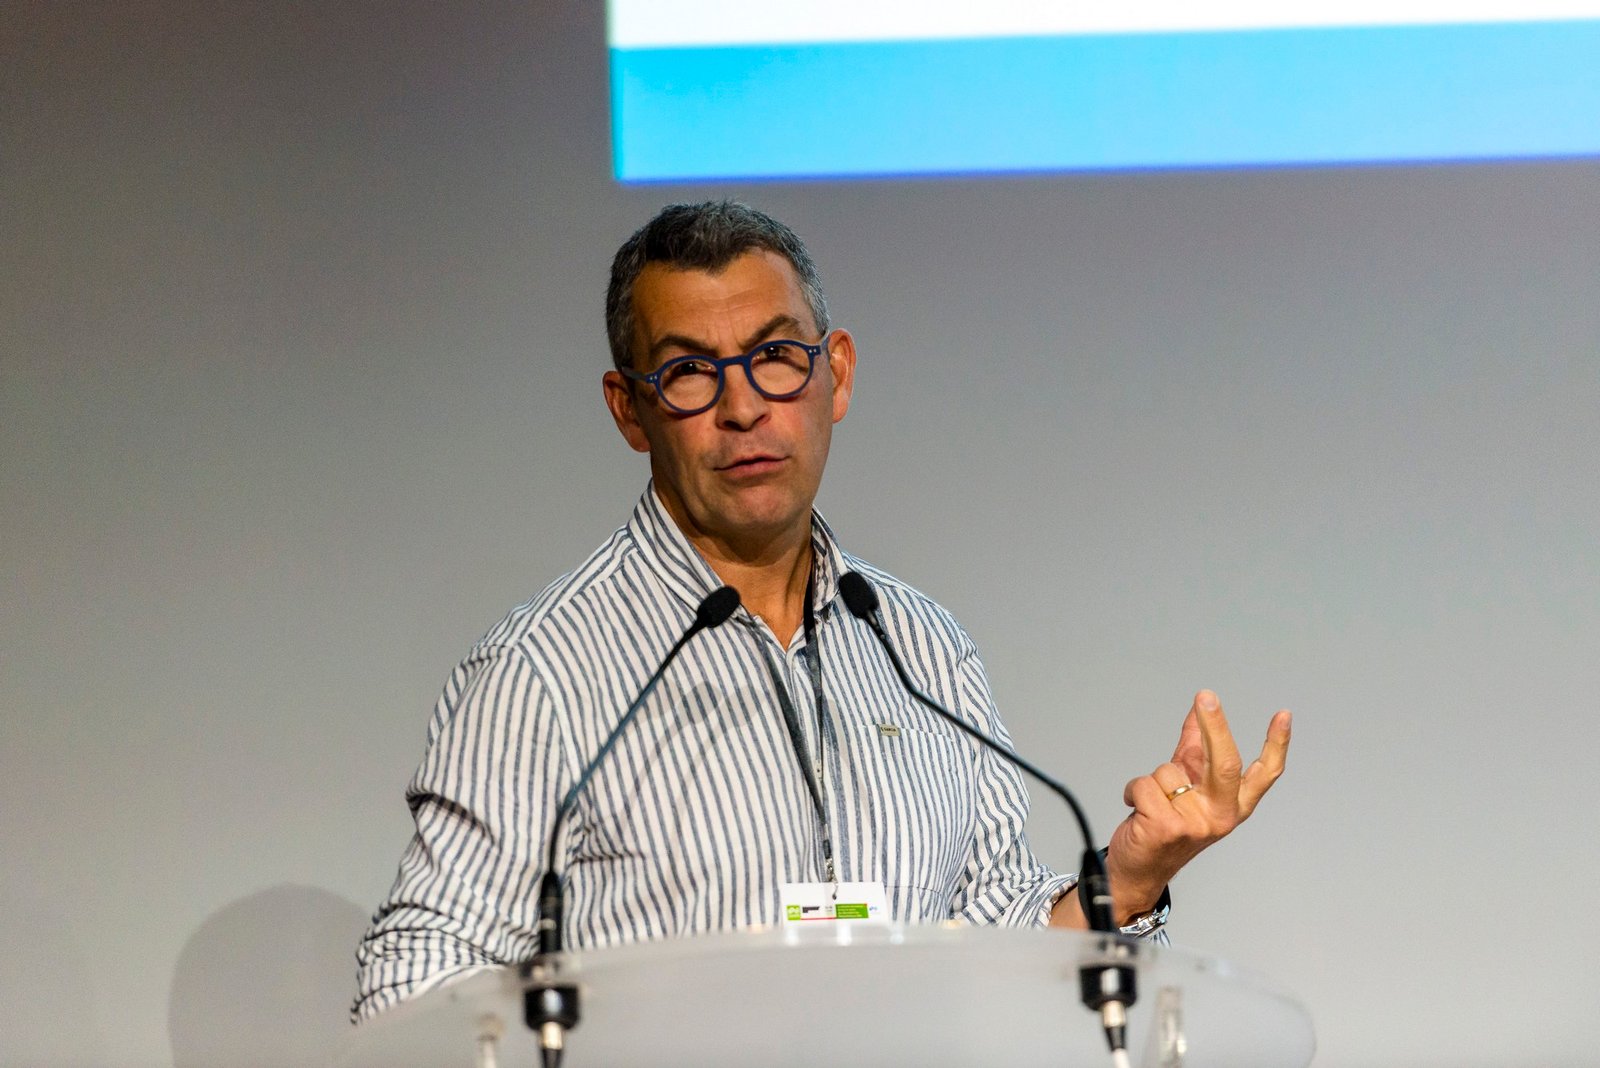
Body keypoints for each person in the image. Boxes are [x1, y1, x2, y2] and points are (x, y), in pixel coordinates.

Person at [353, 201, 1291, 1022]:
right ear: (630, 411)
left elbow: (1001, 950)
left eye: (775, 357)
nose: (742, 408)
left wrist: (1127, 879)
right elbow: (413, 992)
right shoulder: (542, 673)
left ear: (835, 375)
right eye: (689, 372)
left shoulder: (921, 647)